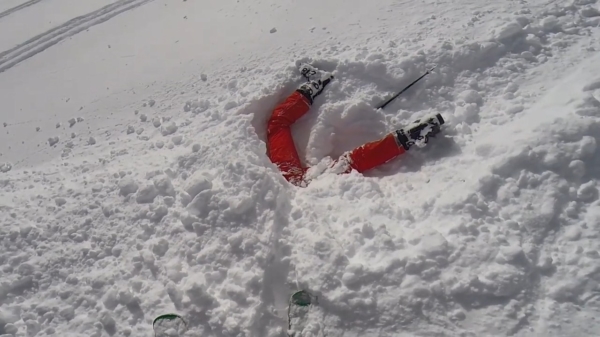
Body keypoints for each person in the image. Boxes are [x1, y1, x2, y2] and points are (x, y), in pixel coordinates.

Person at [266, 63, 444, 187]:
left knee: (344, 165)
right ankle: (315, 84)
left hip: (292, 183)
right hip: (291, 184)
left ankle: (405, 138)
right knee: (278, 123)